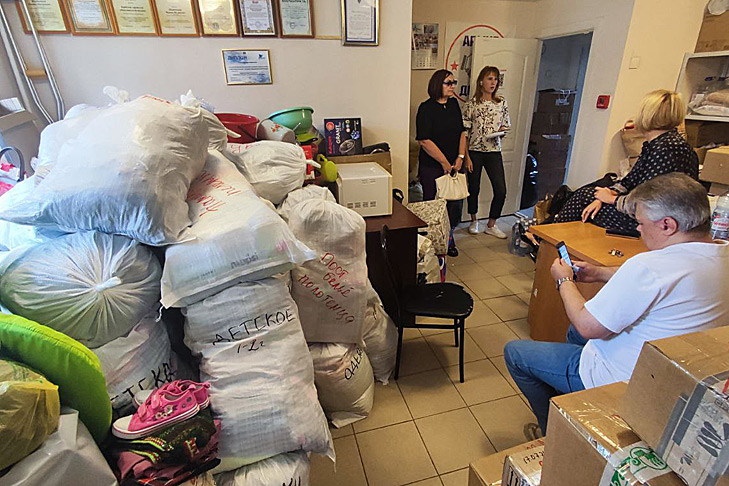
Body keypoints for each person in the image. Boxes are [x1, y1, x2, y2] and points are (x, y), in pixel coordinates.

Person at [504, 173, 729, 435]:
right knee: (573, 331)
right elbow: (663, 278)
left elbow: (590, 327)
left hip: (621, 381)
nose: (638, 229)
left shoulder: (648, 266)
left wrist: (564, 280)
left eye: (642, 223)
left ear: (668, 225)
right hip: (675, 378)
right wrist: (600, 273)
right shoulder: (721, 253)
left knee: (517, 353)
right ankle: (570, 407)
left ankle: (550, 432)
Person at [555, 90, 698, 232]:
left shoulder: (665, 150)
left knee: (582, 197)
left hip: (657, 220)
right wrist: (604, 196)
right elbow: (629, 181)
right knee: (590, 195)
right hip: (656, 213)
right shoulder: (660, 145)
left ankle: (543, 241)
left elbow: (650, 202)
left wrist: (612, 200)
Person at [416, 69, 468, 257]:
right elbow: (424, 140)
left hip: (455, 165)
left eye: (454, 82)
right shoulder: (426, 108)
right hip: (433, 166)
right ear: (438, 84)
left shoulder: (454, 105)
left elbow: (462, 133)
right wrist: (444, 162)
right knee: (434, 206)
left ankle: (449, 238)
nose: (453, 86)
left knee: (454, 206)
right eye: (449, 83)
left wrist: (460, 157)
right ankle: (430, 242)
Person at [462, 66, 511, 238]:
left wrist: (501, 131)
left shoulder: (501, 102)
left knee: (501, 190)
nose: (493, 82)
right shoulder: (471, 104)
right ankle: (474, 220)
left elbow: (505, 125)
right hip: (474, 152)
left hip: (493, 151)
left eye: (496, 79)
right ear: (481, 81)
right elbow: (465, 134)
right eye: (489, 78)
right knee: (473, 188)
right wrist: (466, 157)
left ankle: (492, 224)